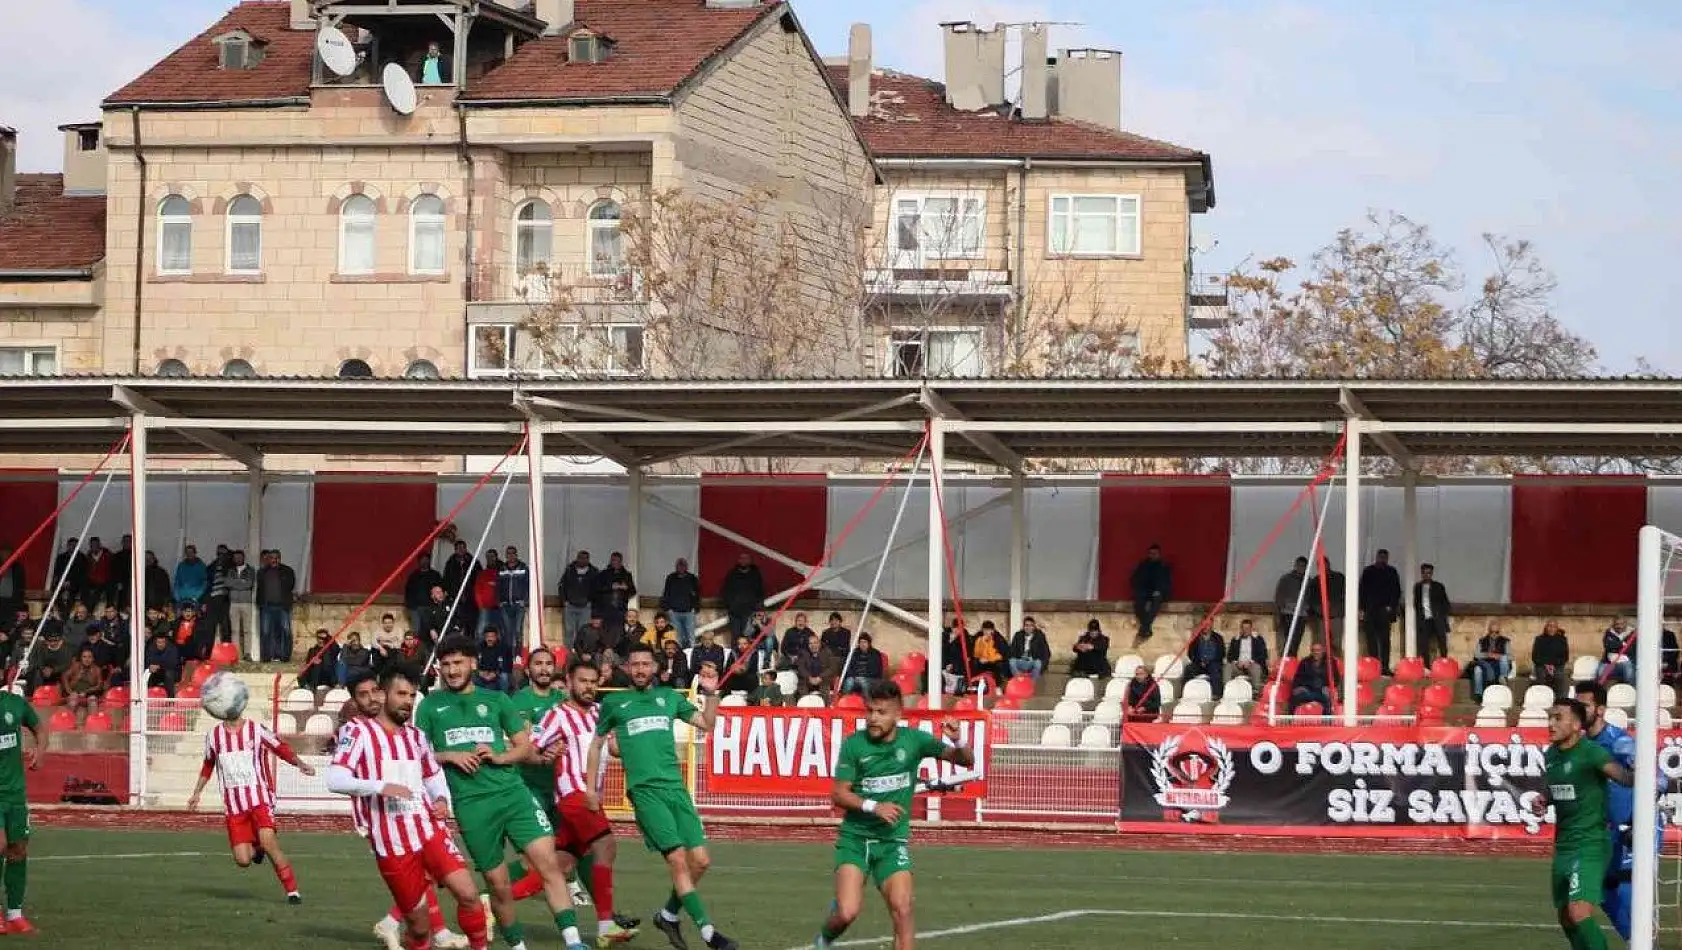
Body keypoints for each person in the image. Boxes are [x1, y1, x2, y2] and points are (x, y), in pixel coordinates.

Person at [415, 637, 588, 950]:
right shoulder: (429, 705)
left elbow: (524, 746)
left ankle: (574, 942)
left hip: (513, 794)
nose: (452, 670)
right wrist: (450, 756)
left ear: (473, 664)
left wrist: (500, 757)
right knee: (498, 884)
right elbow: (417, 755)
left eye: (458, 663)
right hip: (472, 806)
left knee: (547, 863)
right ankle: (517, 945)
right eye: (446, 664)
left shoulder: (496, 700)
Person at [587, 642, 736, 950]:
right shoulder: (616, 704)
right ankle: (709, 933)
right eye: (635, 664)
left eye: (646, 664)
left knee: (702, 861)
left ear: (655, 668)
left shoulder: (668, 698)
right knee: (679, 860)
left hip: (675, 789)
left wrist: (711, 693)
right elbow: (596, 745)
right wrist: (591, 789)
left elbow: (707, 724)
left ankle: (668, 914)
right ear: (627, 668)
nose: (640, 669)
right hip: (645, 793)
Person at [328, 668, 490, 950]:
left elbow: (431, 774)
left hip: (429, 830)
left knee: (469, 895)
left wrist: (440, 799)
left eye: (412, 695)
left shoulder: (416, 736)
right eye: (401, 694)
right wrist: (381, 786)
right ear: (383, 694)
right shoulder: (357, 731)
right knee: (418, 928)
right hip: (392, 843)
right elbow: (335, 778)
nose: (408, 701)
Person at [815, 680, 975, 950]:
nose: (873, 719)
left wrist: (957, 739)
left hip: (892, 842)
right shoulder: (854, 745)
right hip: (855, 841)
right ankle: (825, 937)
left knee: (903, 909)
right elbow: (839, 794)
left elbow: (966, 760)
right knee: (847, 913)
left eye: (881, 712)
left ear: (898, 714)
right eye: (870, 712)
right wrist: (873, 807)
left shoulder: (914, 740)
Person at [526, 658, 640, 945]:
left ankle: (494, 901)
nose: (589, 687)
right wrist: (545, 753)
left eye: (593, 682)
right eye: (582, 681)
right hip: (573, 795)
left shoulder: (600, 713)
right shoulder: (556, 715)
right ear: (568, 682)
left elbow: (613, 747)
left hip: (591, 797)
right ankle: (605, 926)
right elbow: (530, 746)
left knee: (560, 866)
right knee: (606, 845)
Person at [185, 709, 316, 904]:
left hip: (260, 799)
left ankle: (292, 892)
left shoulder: (256, 729)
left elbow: (280, 747)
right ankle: (258, 850)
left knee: (269, 842)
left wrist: (300, 763)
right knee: (243, 860)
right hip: (234, 806)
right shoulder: (214, 735)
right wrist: (197, 792)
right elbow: (208, 764)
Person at [1533, 698, 1633, 950]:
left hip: (1589, 844)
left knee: (1579, 911)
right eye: (1550, 717)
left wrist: (1639, 768)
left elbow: (1623, 778)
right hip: (1564, 846)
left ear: (1577, 724)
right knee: (1566, 917)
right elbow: (1558, 787)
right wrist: (1545, 799)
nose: (1551, 723)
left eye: (1558, 718)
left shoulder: (1592, 753)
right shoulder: (1552, 754)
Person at [502, 648, 594, 912]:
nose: (543, 668)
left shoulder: (561, 699)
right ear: (528, 670)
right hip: (529, 788)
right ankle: (490, 893)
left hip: (559, 789)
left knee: (578, 847)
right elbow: (527, 742)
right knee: (534, 858)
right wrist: (546, 750)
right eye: (538, 664)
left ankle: (604, 913)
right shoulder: (519, 701)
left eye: (548, 664)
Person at [1575, 681, 1661, 942]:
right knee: (1600, 889)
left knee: (1626, 889)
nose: (1578, 710)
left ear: (1600, 710)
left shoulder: (1621, 743)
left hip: (1635, 828)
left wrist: (1640, 821)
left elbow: (1659, 780)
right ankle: (1638, 941)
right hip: (1608, 831)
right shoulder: (1581, 747)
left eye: (1584, 705)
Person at [0, 685, 44, 934]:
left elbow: (39, 728)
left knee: (18, 850)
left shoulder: (15, 703)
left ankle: (15, 914)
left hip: (15, 793)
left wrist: (40, 751)